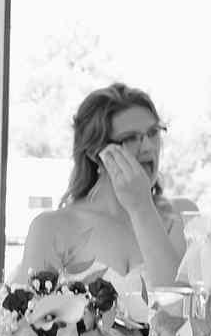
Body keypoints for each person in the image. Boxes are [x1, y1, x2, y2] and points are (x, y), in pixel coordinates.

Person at [14, 83, 187, 287]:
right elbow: (33, 306)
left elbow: (180, 304)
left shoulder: (181, 216)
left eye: (153, 132)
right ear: (96, 153)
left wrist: (142, 209)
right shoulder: (49, 227)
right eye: (131, 138)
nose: (148, 146)